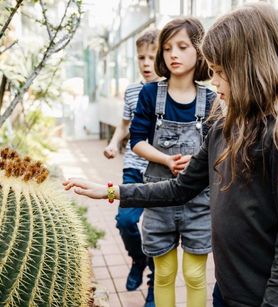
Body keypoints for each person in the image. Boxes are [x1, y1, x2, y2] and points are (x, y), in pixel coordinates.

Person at [63, 3, 278, 306]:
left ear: (252, 70)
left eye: (222, 72)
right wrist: (111, 191)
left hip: (274, 299)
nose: (214, 81)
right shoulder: (223, 127)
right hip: (230, 292)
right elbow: (180, 188)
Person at [126, 17, 216, 307]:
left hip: (199, 201)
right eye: (167, 48)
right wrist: (166, 159)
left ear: (199, 51)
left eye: (182, 46)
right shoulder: (151, 93)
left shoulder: (212, 99)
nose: (173, 54)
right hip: (159, 198)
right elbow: (137, 139)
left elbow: (217, 149)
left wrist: (197, 161)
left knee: (194, 274)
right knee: (164, 274)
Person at [103, 28, 159, 306]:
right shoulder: (132, 90)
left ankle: (153, 288)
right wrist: (114, 143)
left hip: (162, 174)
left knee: (156, 231)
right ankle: (138, 261)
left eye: (152, 57)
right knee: (125, 220)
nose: (146, 63)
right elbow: (125, 124)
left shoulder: (171, 90)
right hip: (134, 168)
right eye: (141, 57)